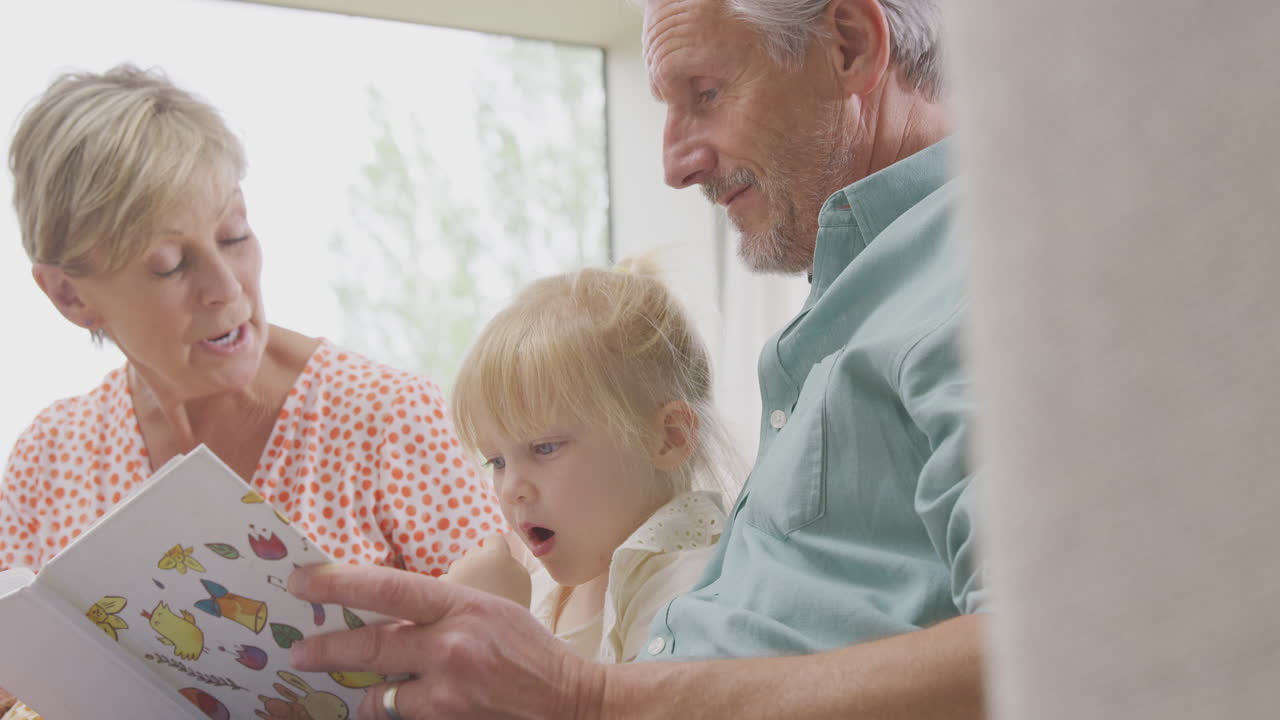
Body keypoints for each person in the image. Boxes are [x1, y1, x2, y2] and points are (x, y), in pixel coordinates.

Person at [286, 0, 987, 717]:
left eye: (705, 94)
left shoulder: (991, 280)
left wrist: (584, 697)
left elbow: (1051, 641)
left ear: (847, 46)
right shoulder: (854, 297)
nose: (674, 165)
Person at [0, 65, 503, 719]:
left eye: (234, 235)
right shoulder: (48, 458)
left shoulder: (383, 415)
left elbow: (509, 651)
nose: (228, 288)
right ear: (69, 295)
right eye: (170, 265)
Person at [439, 259, 738, 663]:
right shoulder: (549, 579)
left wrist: (496, 633)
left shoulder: (692, 589)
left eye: (544, 448)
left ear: (670, 437)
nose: (511, 489)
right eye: (496, 462)